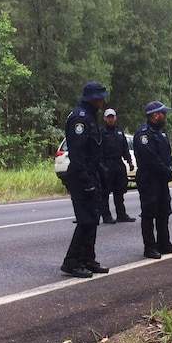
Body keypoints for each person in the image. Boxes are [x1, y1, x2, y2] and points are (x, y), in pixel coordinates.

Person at [60, 82, 111, 278]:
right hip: (81, 175)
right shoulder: (79, 119)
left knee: (93, 219)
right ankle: (72, 262)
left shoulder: (91, 117)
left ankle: (87, 259)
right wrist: (86, 181)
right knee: (85, 220)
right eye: (100, 97)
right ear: (93, 98)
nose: (102, 100)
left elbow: (94, 151)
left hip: (92, 172)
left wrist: (101, 173)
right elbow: (78, 153)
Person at [134, 101, 172, 259]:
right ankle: (150, 247)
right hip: (149, 179)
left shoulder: (161, 132)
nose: (165, 116)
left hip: (161, 180)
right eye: (163, 113)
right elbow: (150, 159)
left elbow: (167, 155)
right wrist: (166, 171)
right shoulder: (143, 135)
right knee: (149, 213)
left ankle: (164, 243)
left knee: (164, 211)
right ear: (155, 115)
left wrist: (171, 169)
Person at [99, 108, 136, 224]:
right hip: (107, 164)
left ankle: (121, 214)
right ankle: (106, 216)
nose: (111, 119)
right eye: (108, 117)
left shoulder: (119, 132)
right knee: (105, 192)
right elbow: (98, 151)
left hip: (118, 164)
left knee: (120, 191)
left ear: (115, 117)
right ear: (105, 118)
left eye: (112, 116)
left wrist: (129, 162)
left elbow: (125, 149)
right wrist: (101, 166)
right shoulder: (101, 132)